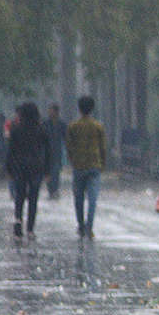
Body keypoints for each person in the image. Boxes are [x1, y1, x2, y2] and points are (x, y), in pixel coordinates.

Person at [5, 102, 50, 239]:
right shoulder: (41, 129)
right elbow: (48, 151)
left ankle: (18, 221)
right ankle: (30, 229)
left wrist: (8, 168)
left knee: (20, 196)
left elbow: (11, 151)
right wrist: (47, 170)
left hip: (19, 166)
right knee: (33, 198)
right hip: (36, 167)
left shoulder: (16, 129)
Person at [66, 96, 106, 239]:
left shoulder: (73, 126)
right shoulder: (98, 126)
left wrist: (72, 159)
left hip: (79, 166)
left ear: (79, 108)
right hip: (94, 165)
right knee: (92, 199)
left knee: (78, 198)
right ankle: (89, 226)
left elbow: (69, 146)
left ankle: (81, 225)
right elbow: (103, 147)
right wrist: (103, 163)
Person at [43, 103, 67, 199]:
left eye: (51, 110)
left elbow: (66, 137)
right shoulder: (45, 123)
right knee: (48, 172)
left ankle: (55, 189)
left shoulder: (62, 124)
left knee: (56, 172)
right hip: (46, 152)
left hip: (57, 152)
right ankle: (50, 190)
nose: (50, 112)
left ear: (56, 112)